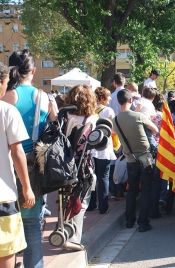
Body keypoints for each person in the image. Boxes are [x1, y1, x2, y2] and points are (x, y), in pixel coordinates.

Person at [3, 49, 58, 268]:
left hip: (7, 167)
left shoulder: (6, 96)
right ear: (33, 71)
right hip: (33, 168)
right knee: (32, 226)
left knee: (5, 228)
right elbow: (54, 125)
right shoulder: (42, 97)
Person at [0, 62, 35, 268]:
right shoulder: (7, 111)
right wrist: (27, 187)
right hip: (3, 194)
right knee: (6, 253)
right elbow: (17, 151)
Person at [112, 89, 158, 232]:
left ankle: (129, 220)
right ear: (130, 100)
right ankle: (143, 223)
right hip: (145, 158)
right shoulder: (138, 116)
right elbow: (154, 129)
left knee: (131, 190)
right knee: (145, 190)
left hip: (130, 159)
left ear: (119, 102)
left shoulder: (115, 120)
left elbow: (114, 133)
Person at [63, 84, 99, 250]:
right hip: (82, 166)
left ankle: (62, 232)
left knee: (63, 200)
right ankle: (74, 238)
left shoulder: (63, 115)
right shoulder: (91, 119)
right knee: (81, 202)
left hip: (62, 163)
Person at [88, 87, 117, 212]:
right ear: (102, 98)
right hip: (104, 147)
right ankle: (103, 206)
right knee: (103, 176)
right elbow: (113, 130)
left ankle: (91, 203)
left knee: (91, 176)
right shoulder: (108, 111)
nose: (110, 99)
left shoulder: (90, 109)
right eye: (108, 96)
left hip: (91, 147)